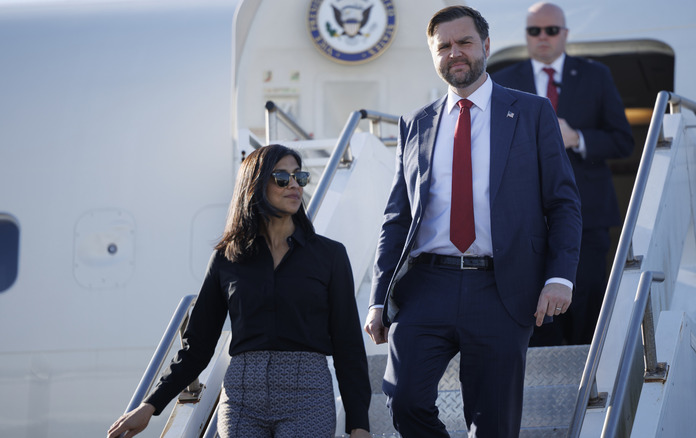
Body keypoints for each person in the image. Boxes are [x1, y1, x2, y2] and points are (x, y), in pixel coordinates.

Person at [363, 6, 581, 437]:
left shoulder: (532, 112)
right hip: (426, 288)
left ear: (485, 45)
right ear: (434, 55)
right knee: (404, 400)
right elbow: (397, 217)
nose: (454, 53)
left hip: (501, 288)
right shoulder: (416, 123)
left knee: (493, 424)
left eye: (463, 42)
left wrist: (560, 277)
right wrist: (377, 299)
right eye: (443, 46)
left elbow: (563, 203)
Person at [107, 145, 371, 438]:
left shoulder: (329, 255)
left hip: (307, 395)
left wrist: (359, 425)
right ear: (255, 184)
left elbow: (349, 345)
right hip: (242, 398)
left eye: (300, 176)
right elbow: (198, 346)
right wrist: (150, 406)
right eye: (282, 177)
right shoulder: (227, 258)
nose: (295, 184)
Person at [492, 2, 634, 346]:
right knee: (535, 308)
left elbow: (623, 141)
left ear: (565, 34)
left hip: (588, 214)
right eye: (534, 31)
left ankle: (591, 383)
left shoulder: (595, 75)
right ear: (526, 35)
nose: (543, 37)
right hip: (527, 219)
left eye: (551, 30)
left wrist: (578, 138)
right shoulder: (503, 81)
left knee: (584, 301)